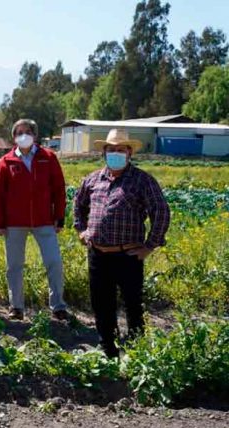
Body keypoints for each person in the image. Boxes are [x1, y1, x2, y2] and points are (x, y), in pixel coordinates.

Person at [74, 128, 170, 358]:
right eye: (111, 149)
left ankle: (136, 352)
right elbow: (79, 205)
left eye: (120, 149)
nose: (115, 153)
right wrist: (82, 230)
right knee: (101, 304)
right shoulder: (93, 179)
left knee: (132, 305)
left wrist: (149, 246)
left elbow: (161, 212)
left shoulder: (142, 180)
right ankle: (108, 348)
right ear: (104, 152)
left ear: (129, 153)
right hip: (98, 254)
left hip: (128, 255)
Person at [0, 119, 68, 321]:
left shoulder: (48, 158)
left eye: (27, 131)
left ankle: (58, 305)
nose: (23, 135)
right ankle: (16, 307)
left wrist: (59, 217)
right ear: (14, 137)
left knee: (54, 262)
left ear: (34, 135)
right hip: (14, 223)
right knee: (14, 266)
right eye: (19, 132)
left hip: (44, 221)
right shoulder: (5, 162)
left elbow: (59, 189)